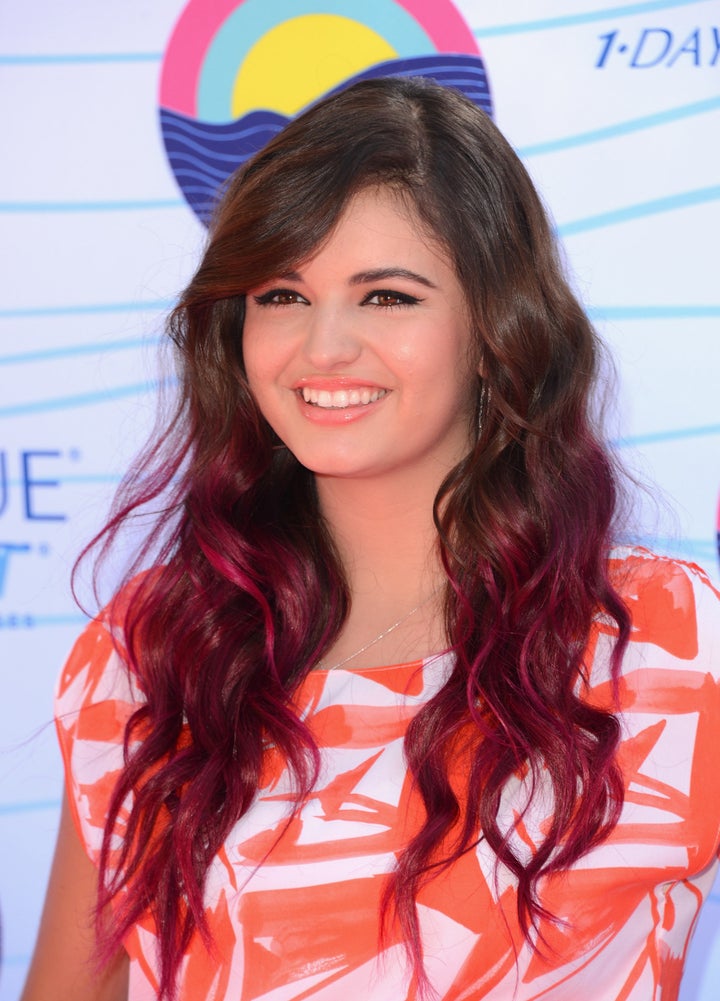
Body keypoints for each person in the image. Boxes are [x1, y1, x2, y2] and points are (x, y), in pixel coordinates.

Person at [22, 76, 720, 1001]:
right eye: (282, 294)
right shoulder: (156, 652)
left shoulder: (664, 646)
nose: (323, 348)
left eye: (386, 297)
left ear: (492, 331)